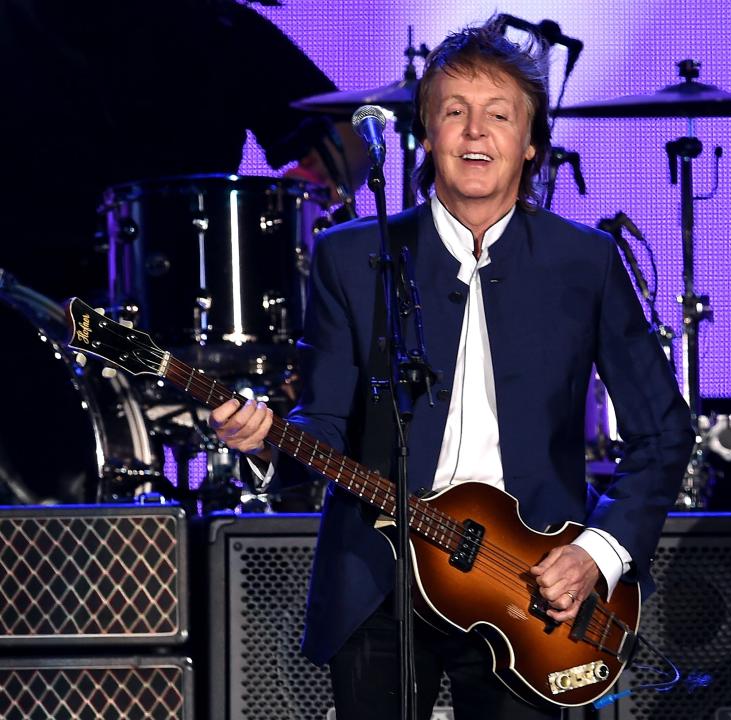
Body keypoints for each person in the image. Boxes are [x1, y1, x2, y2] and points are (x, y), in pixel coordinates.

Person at [210, 15, 694, 720]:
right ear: (427, 137)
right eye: (454, 114)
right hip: (379, 583)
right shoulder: (351, 255)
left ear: (530, 144)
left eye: (498, 115)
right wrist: (267, 438)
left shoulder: (583, 262)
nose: (475, 133)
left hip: (531, 591)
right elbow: (326, 417)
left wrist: (597, 552)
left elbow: (663, 433)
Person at [0, 0, 366, 301]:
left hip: (182, 306)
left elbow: (352, 133)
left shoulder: (219, 27)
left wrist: (300, 193)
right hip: (22, 299)